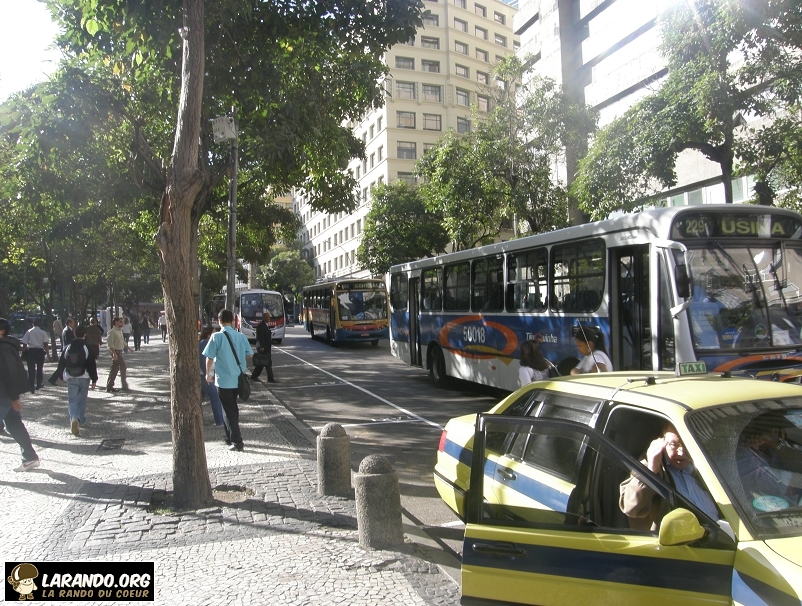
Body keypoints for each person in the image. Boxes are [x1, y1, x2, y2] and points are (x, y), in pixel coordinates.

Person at [620, 423, 719, 530]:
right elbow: (631, 509)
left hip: (721, 534)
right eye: (674, 444)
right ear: (660, 442)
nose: (681, 453)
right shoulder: (649, 468)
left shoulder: (703, 466)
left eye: (687, 445)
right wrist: (651, 470)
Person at [203, 309, 252, 451]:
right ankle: (229, 436)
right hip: (238, 379)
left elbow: (209, 357)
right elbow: (249, 354)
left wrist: (208, 374)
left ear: (219, 321)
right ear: (232, 321)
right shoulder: (241, 336)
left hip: (223, 380)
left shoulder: (216, 337)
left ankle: (236, 441)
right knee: (232, 408)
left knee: (228, 410)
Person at [0, 317, 40, 472]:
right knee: (14, 425)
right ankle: (30, 458)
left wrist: (14, 397)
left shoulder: (4, 348)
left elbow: (9, 372)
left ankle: (30, 457)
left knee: (14, 425)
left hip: (4, 394)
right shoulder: (6, 346)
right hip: (7, 394)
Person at [737, 415, 802, 507]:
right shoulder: (740, 454)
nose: (776, 429)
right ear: (750, 425)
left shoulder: (773, 444)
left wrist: (776, 444)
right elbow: (787, 487)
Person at [62, 326, 91, 437]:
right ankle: (81, 419)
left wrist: (60, 376)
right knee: (82, 399)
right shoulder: (86, 347)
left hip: (71, 376)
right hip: (84, 376)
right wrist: (94, 378)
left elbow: (62, 362)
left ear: (74, 333)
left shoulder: (68, 347)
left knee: (72, 399)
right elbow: (91, 364)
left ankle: (74, 417)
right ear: (85, 335)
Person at [198, 326, 225, 427]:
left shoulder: (208, 343)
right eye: (213, 332)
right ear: (209, 334)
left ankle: (195, 417)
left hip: (207, 374)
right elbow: (203, 360)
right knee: (214, 395)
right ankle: (219, 421)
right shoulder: (203, 343)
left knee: (200, 397)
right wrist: (208, 374)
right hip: (204, 375)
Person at [21, 319, 50, 393]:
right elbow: (46, 344)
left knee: (31, 369)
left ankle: (31, 386)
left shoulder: (29, 332)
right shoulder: (43, 332)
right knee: (40, 368)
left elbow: (24, 344)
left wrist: (23, 354)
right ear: (40, 325)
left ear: (32, 324)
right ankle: (39, 384)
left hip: (31, 351)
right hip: (40, 351)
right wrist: (48, 355)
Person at [105, 317, 130, 393]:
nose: (122, 323)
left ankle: (109, 386)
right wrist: (114, 353)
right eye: (120, 321)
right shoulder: (112, 332)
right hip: (116, 352)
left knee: (114, 369)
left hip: (119, 351)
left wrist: (129, 348)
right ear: (116, 322)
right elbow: (110, 344)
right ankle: (124, 385)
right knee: (123, 366)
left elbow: (122, 341)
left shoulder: (119, 331)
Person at [251, 312, 275, 383]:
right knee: (267, 363)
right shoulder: (261, 326)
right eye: (267, 317)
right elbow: (260, 337)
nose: (268, 318)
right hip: (263, 347)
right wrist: (262, 346)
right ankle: (270, 378)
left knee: (261, 363)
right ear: (263, 318)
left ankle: (254, 376)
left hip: (266, 347)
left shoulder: (266, 325)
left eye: (269, 317)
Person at [83, 317, 103, 389]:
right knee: (93, 361)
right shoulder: (97, 329)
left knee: (88, 359)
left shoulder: (87, 328)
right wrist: (100, 342)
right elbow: (99, 337)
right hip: (95, 345)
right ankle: (93, 378)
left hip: (88, 345)